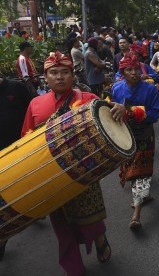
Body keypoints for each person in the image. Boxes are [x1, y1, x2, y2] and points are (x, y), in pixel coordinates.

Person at [22, 51, 126, 276]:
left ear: (72, 74)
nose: (59, 77)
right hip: (51, 177)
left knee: (91, 221)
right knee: (62, 227)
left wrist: (119, 109)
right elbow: (26, 139)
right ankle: (74, 269)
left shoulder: (88, 99)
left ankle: (99, 238)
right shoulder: (35, 104)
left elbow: (110, 116)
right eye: (54, 73)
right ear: (45, 77)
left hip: (84, 173)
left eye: (64, 72)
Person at [112, 53, 159, 229]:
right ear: (123, 72)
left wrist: (134, 112)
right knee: (132, 170)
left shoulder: (151, 90)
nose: (133, 73)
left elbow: (156, 113)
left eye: (135, 69)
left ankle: (136, 214)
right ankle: (142, 195)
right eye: (129, 70)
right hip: (124, 134)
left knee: (140, 171)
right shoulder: (117, 89)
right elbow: (111, 112)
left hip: (144, 134)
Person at [0, 77, 35, 260]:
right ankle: (3, 238)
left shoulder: (16, 87)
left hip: (23, 147)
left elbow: (34, 107)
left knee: (28, 184)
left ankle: (35, 207)